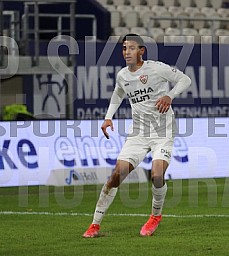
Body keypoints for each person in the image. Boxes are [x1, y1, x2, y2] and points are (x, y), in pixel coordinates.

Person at [82, 34, 191, 237]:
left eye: (131, 48)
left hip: (162, 132)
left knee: (157, 175)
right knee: (116, 175)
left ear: (141, 51)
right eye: (124, 48)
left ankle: (155, 216)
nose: (126, 52)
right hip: (138, 134)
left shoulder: (156, 68)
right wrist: (108, 118)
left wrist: (170, 95)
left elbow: (185, 79)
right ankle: (94, 225)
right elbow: (117, 94)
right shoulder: (123, 75)